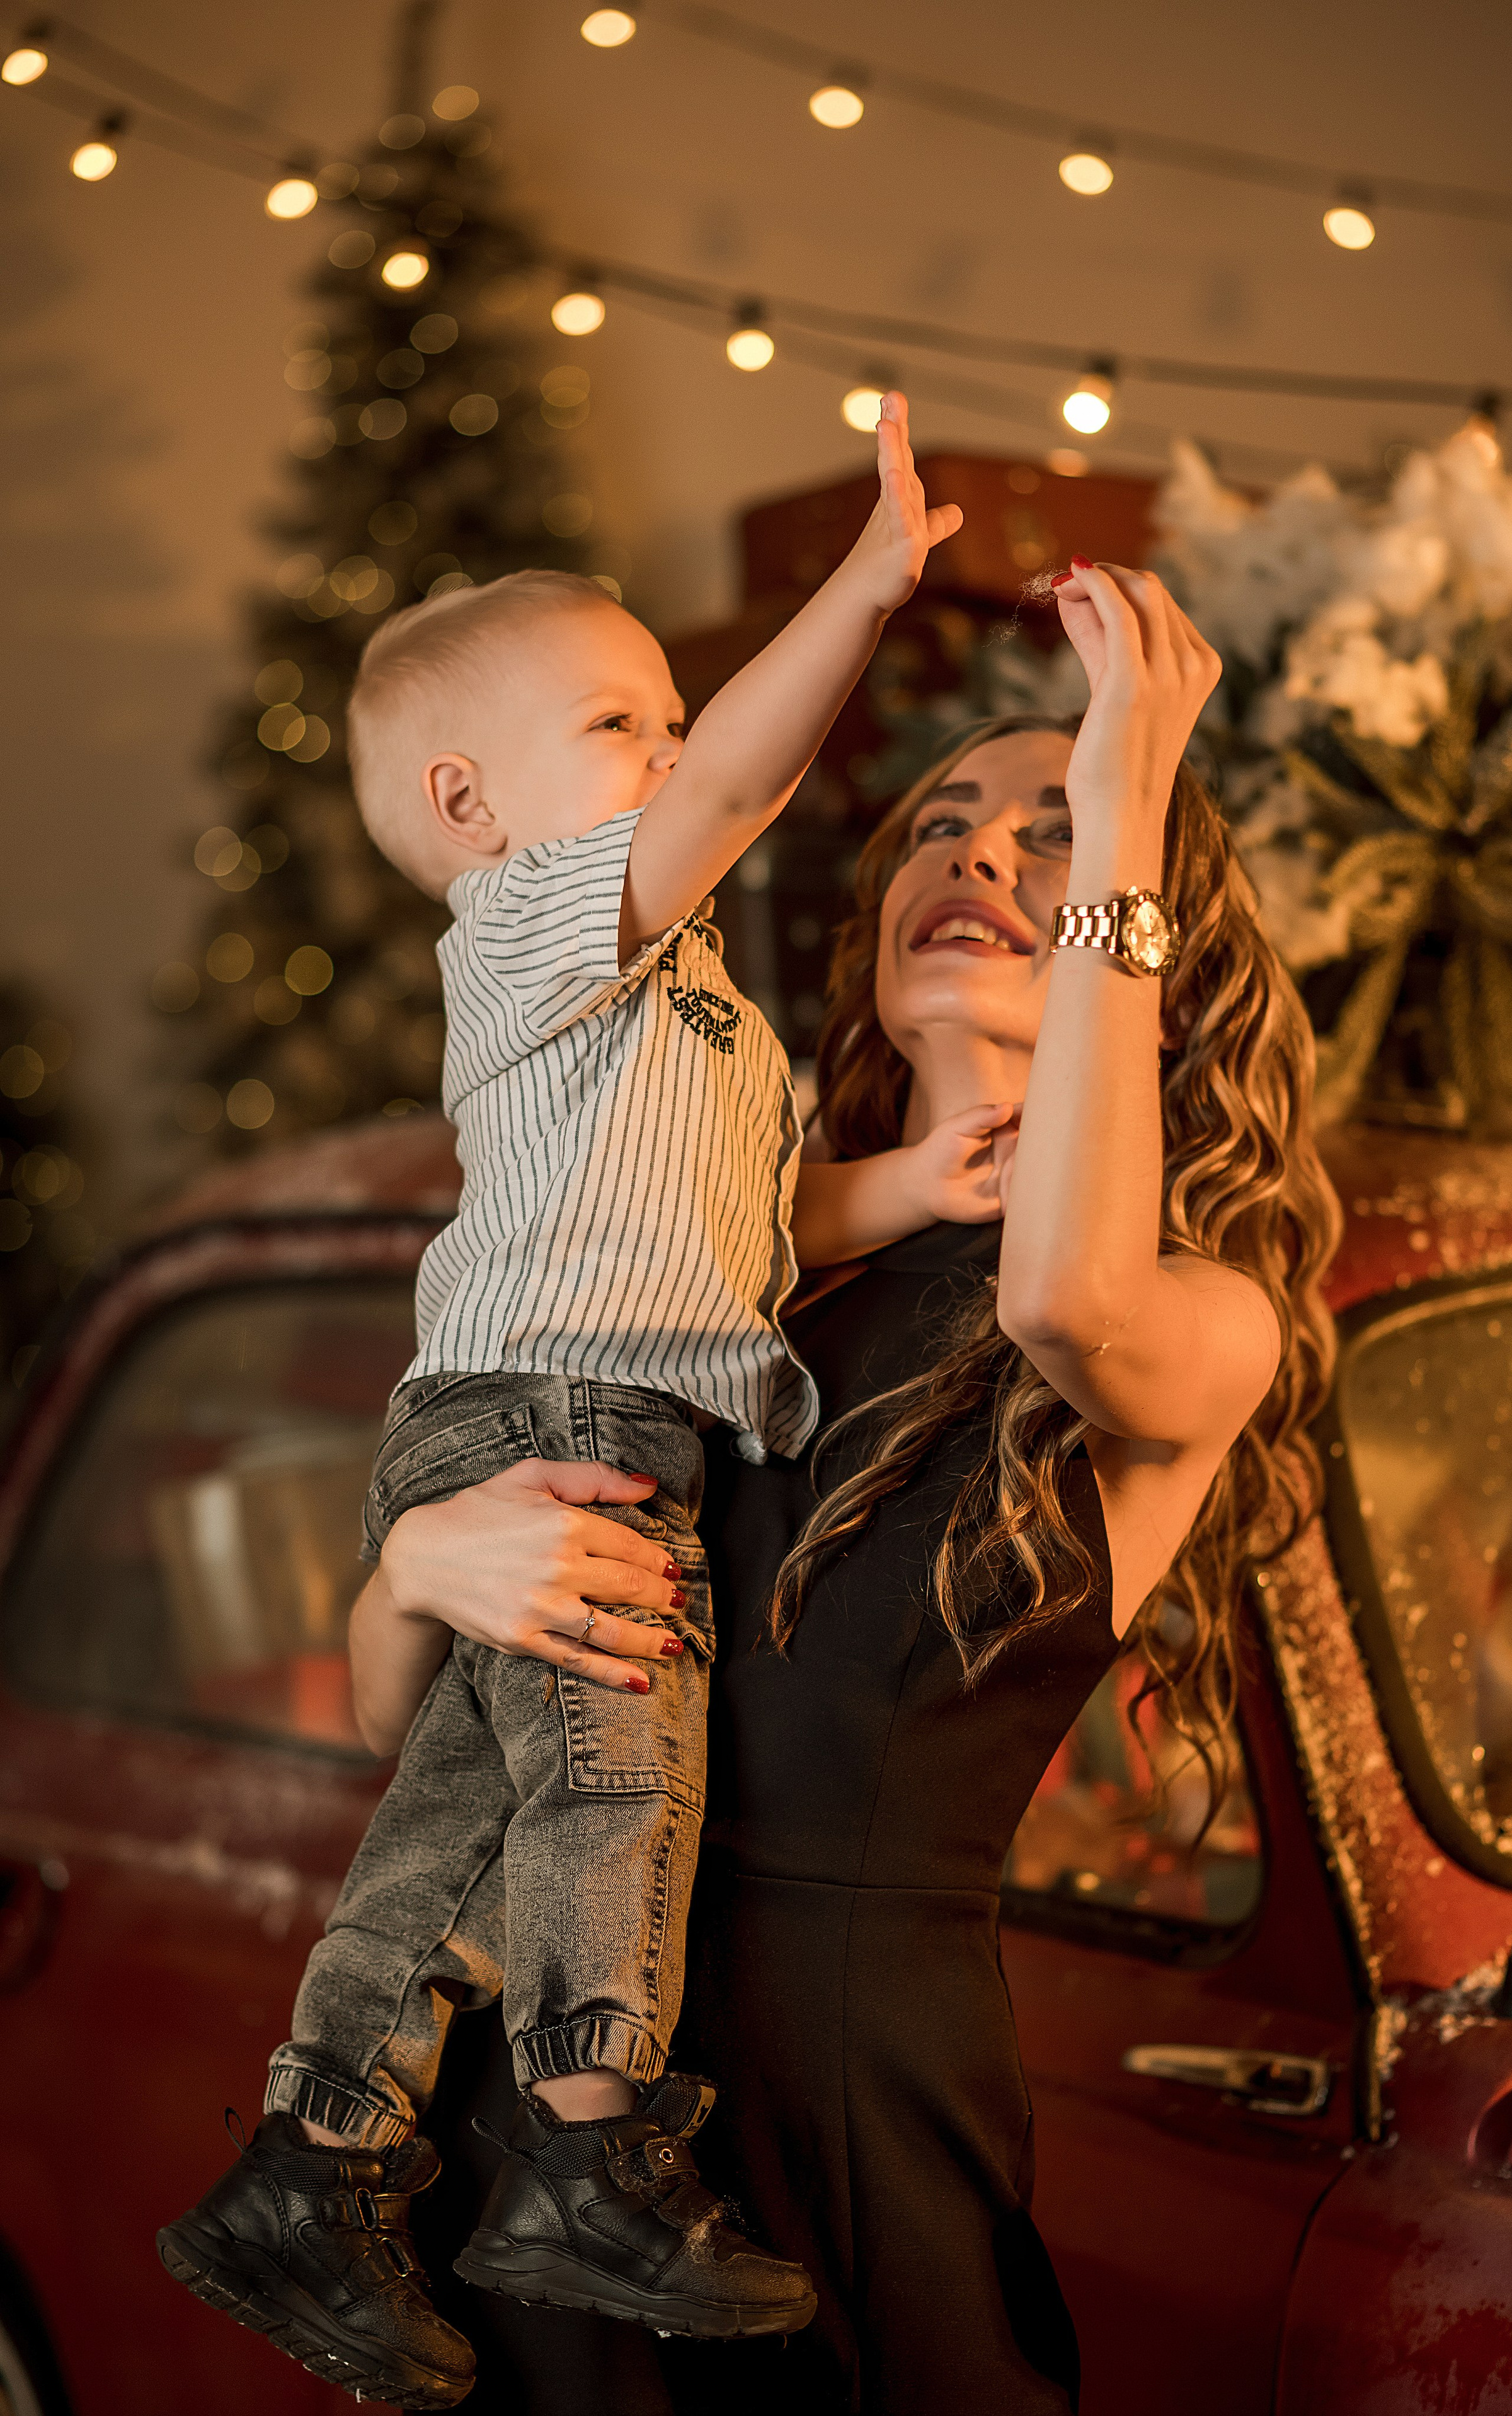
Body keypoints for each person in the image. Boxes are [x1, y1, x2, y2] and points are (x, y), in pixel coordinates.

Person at [343, 560, 1342, 2413]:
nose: (980, 857)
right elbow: (382, 1704)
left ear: (1158, 948)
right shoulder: (728, 1266)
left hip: (838, 2130)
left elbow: (1063, 1292)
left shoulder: (1206, 1320)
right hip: (546, 2125)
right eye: (943, 826)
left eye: (1058, 836)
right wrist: (422, 1559)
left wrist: (1137, 784)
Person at [159, 396, 1013, 2411]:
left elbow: (741, 1227)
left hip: (541, 1389)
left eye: (662, 714)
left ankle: (315, 2157)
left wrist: (909, 1184)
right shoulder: (541, 929)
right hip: (569, 1401)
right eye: (622, 721)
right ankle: (590, 2151)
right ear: (473, 805)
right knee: (626, 1765)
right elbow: (733, 780)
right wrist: (872, 583)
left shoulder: (685, 1005)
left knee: (466, 1822)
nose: (674, 738)